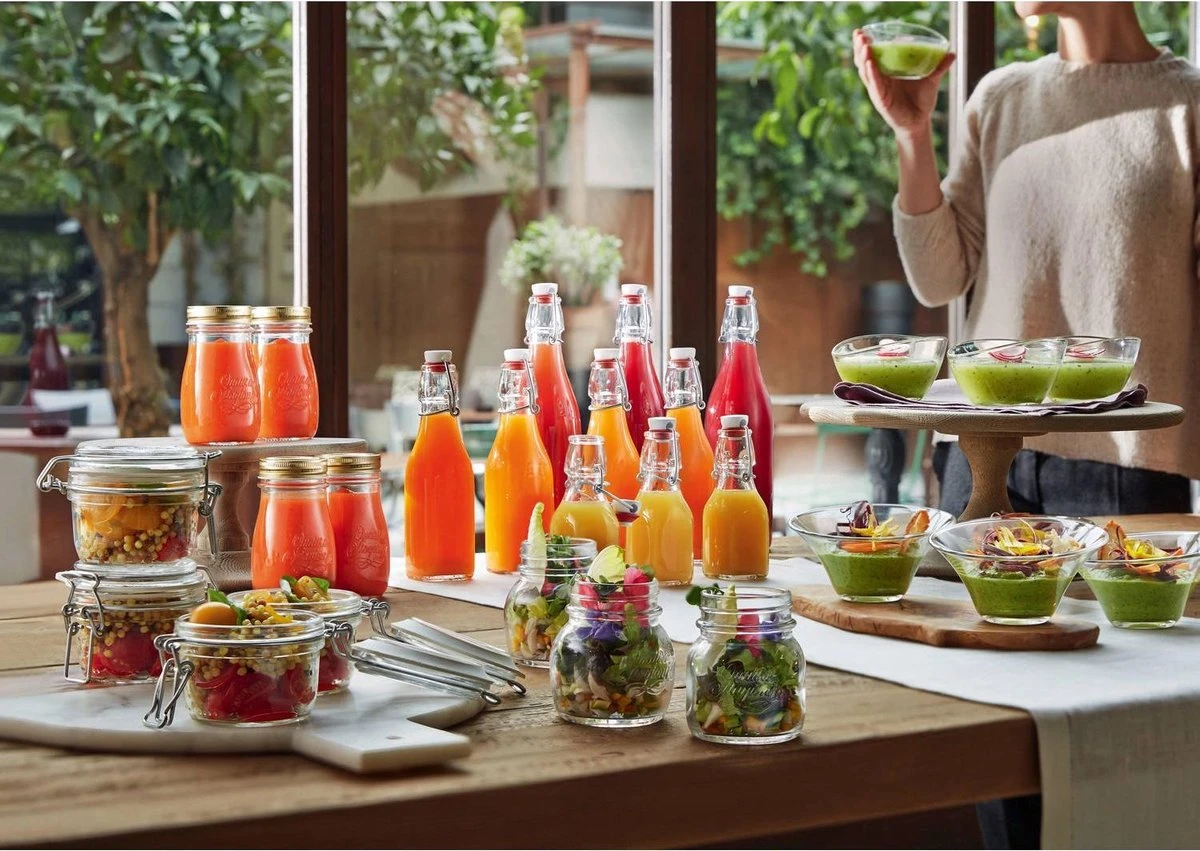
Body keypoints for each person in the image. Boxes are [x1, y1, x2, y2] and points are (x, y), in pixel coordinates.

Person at [854, 2, 1200, 520]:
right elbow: (938, 279)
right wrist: (912, 133)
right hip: (978, 446)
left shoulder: (1188, 103)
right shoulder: (1001, 96)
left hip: (1123, 457)